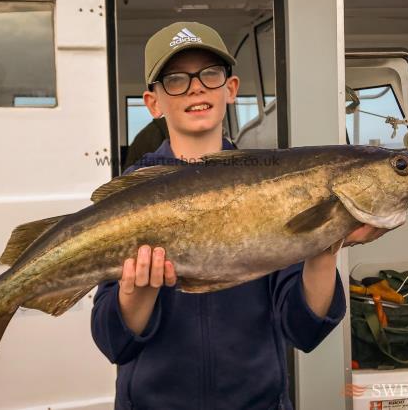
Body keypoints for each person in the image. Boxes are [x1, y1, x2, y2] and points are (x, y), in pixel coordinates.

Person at [91, 21, 381, 410]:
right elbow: (113, 343)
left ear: (230, 89)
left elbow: (305, 330)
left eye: (210, 74)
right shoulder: (131, 195)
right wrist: (137, 295)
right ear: (153, 102)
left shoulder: (274, 183)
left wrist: (324, 245)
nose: (196, 86)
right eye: (176, 79)